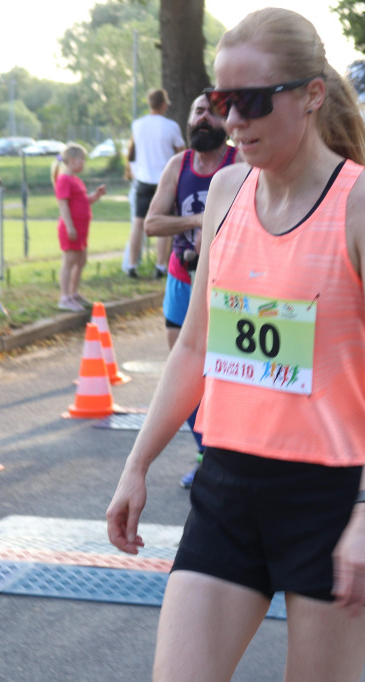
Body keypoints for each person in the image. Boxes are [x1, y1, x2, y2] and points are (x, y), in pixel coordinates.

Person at [107, 9, 365, 681]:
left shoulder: (364, 206)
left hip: (330, 499)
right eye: (222, 101)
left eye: (250, 101)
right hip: (227, 488)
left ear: (311, 95)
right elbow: (195, 348)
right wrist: (137, 464)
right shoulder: (224, 192)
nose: (232, 122)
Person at [143, 93, 240, 489]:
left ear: (228, 123)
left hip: (230, 285)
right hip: (183, 279)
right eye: (199, 111)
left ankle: (230, 455)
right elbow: (152, 223)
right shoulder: (178, 165)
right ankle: (205, 453)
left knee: (227, 373)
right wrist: (200, 219)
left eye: (215, 114)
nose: (205, 119)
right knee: (183, 373)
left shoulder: (241, 163)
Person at [126, 89, 185, 279]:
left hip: (143, 179)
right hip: (164, 181)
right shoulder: (171, 126)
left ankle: (131, 265)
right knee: (163, 224)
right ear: (164, 104)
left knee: (138, 223)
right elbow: (181, 152)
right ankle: (160, 266)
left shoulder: (137, 125)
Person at [53, 144, 106, 312]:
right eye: (82, 159)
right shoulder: (63, 180)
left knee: (81, 261)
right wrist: (70, 227)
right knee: (69, 262)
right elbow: (63, 205)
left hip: (82, 229)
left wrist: (95, 196)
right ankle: (64, 298)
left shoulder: (75, 180)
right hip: (71, 229)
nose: (84, 163)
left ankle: (74, 293)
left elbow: (82, 201)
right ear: (72, 160)